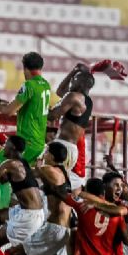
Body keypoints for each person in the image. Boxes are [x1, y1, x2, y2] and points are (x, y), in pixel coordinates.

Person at [48, 63, 95, 191]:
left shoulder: (73, 97)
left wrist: (34, 107)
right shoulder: (87, 101)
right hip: (71, 150)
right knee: (57, 187)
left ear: (79, 84)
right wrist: (74, 71)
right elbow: (60, 92)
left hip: (61, 147)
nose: (71, 80)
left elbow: (52, 116)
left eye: (74, 78)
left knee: (45, 179)